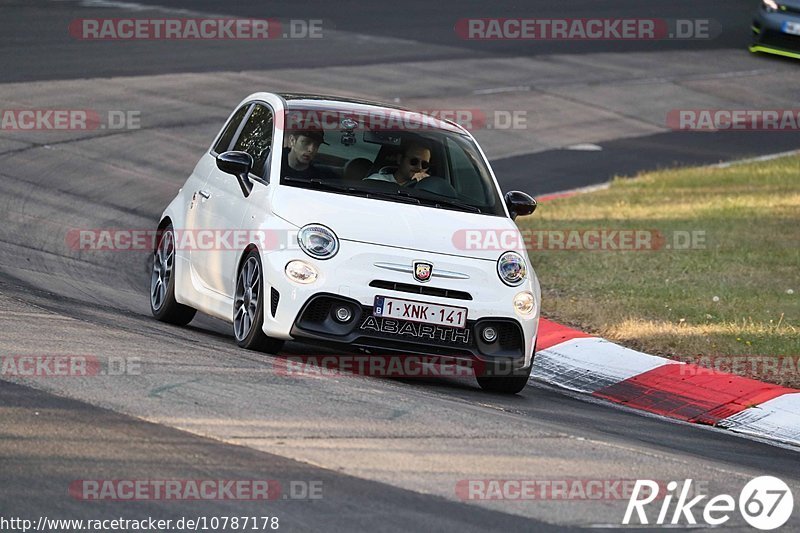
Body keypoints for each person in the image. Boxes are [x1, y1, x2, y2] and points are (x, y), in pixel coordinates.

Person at [364, 140, 431, 187]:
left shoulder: (428, 188)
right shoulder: (376, 180)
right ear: (400, 159)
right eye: (414, 161)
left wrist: (426, 183)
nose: (419, 167)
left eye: (424, 164)